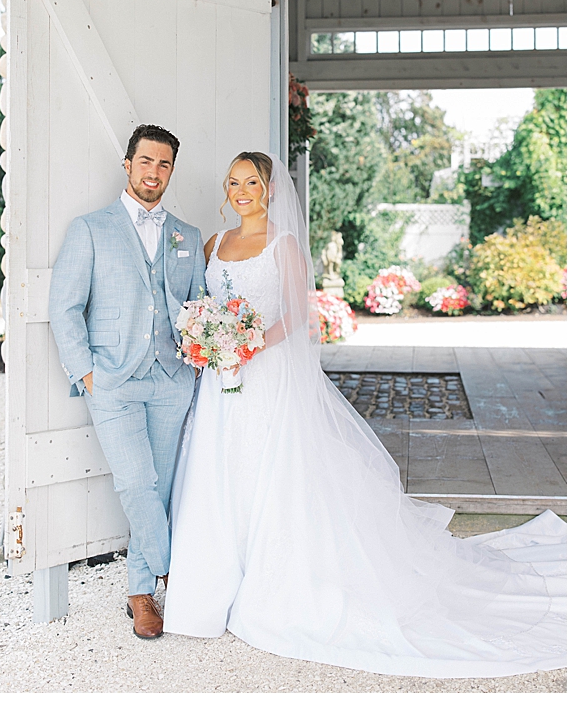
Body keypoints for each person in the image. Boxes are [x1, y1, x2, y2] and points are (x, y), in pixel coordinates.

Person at [163, 151, 566, 678]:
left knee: (269, 469)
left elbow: (293, 313)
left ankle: (271, 579)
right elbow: (204, 306)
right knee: (220, 469)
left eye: (253, 182)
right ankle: (213, 581)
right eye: (234, 181)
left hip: (267, 373)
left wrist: (248, 344)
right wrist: (208, 341)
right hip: (221, 380)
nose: (242, 191)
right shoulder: (214, 244)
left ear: (270, 190)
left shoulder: (284, 245)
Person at [49, 124, 205, 640]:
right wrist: (88, 374)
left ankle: (141, 593)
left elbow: (199, 307)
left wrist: (200, 356)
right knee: (136, 483)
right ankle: (170, 566)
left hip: (171, 379)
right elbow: (64, 307)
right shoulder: (90, 228)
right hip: (112, 380)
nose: (154, 173)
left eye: (163, 165)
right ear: (128, 164)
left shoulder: (188, 235)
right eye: (146, 162)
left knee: (159, 488)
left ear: (171, 171)